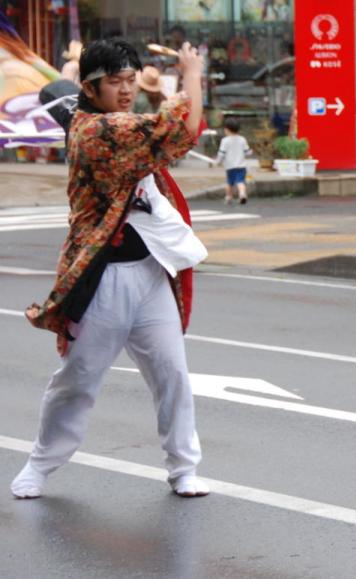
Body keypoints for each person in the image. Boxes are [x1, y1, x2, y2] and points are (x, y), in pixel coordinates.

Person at [12, 38, 211, 500]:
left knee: (173, 374)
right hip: (103, 278)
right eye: (114, 82)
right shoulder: (97, 133)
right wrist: (192, 73)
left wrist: (71, 61)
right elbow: (181, 131)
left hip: (148, 270)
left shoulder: (83, 113)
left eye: (129, 80)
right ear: (91, 88)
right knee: (77, 380)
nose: (125, 90)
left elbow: (60, 93)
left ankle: (183, 468)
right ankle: (39, 466)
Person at [215, 117, 253, 205]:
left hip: (230, 166)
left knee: (229, 182)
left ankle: (228, 197)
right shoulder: (242, 139)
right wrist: (251, 151)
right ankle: (242, 194)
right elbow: (247, 152)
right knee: (240, 181)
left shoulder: (225, 141)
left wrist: (217, 161)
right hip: (241, 166)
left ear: (227, 129)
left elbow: (221, 153)